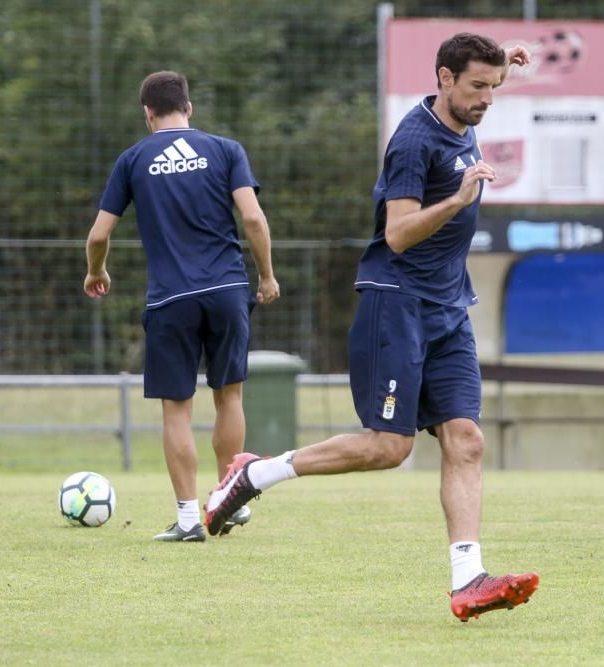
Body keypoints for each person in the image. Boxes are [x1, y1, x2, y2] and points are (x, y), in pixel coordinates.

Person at [205, 34, 537, 620]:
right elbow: (398, 234)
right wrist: (458, 200)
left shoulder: (468, 105)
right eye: (476, 87)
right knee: (388, 448)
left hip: (448, 308)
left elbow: (487, 78)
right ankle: (255, 473)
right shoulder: (413, 142)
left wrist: (504, 58)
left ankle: (468, 579)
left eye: (494, 87)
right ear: (443, 78)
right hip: (397, 302)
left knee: (467, 440)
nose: (487, 98)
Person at [84, 71, 280, 542]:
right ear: (188, 108)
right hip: (229, 288)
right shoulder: (226, 150)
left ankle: (190, 519)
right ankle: (228, 502)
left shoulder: (132, 160)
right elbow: (252, 217)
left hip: (171, 296)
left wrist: (97, 271)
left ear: (147, 113)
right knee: (229, 395)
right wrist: (267, 275)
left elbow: (98, 235)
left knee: (177, 410)